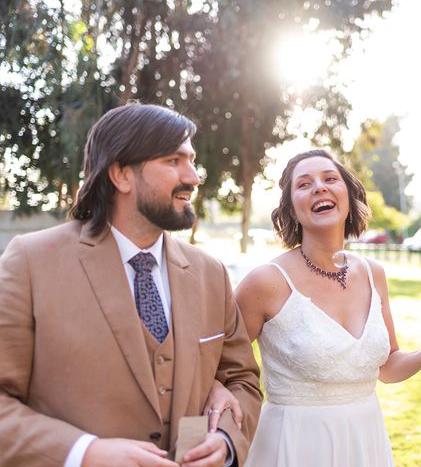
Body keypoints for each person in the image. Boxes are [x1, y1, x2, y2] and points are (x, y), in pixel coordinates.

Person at [0, 103, 262, 467]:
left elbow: (243, 381)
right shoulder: (31, 261)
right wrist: (83, 452)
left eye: (191, 159)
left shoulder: (210, 273)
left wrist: (227, 439)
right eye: (173, 160)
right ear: (121, 175)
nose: (193, 176)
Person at [232, 149, 421, 466]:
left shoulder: (373, 274)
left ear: (349, 196)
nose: (319, 188)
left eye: (330, 179)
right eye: (304, 184)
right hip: (293, 446)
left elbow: (388, 367)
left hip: (364, 443)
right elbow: (216, 368)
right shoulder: (266, 282)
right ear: (290, 209)